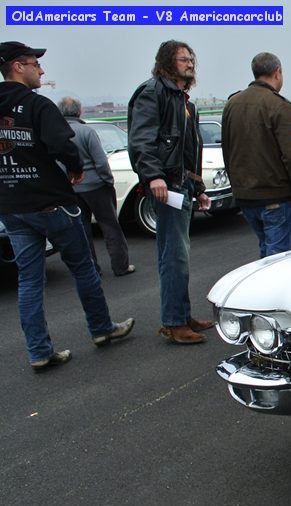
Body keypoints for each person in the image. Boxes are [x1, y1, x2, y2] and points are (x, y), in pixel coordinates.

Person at [0, 41, 134, 371]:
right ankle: (102, 329)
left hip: (11, 206)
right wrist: (74, 166)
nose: (41, 70)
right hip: (50, 203)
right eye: (35, 64)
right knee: (84, 268)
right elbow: (62, 143)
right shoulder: (37, 105)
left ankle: (39, 351)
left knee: (29, 282)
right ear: (18, 66)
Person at [128, 40, 214, 344]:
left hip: (182, 185)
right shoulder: (153, 93)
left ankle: (181, 315)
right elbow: (142, 139)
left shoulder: (184, 101)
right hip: (167, 186)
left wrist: (198, 187)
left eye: (192, 58)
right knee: (173, 255)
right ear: (167, 62)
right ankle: (174, 323)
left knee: (180, 255)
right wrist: (153, 177)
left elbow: (190, 151)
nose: (190, 63)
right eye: (183, 59)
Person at [221, 52, 291, 259]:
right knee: (278, 259)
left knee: (266, 251)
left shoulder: (232, 104)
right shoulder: (279, 105)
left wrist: (237, 187)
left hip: (246, 195)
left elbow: (227, 148)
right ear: (278, 72)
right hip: (275, 194)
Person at [58, 96, 134, 277]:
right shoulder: (87, 131)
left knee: (82, 230)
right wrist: (108, 180)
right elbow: (101, 161)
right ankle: (120, 266)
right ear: (79, 111)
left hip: (72, 189)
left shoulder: (58, 133)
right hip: (97, 186)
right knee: (110, 227)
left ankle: (92, 269)